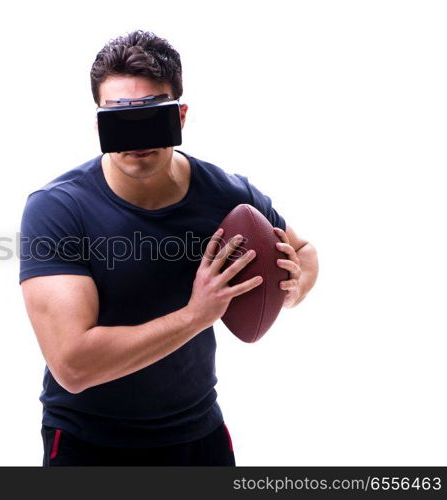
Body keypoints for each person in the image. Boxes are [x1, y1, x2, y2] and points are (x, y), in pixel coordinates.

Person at [19, 29, 319, 466]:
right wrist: (196, 315)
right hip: (91, 443)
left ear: (180, 115)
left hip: (198, 434)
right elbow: (74, 366)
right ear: (99, 122)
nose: (137, 138)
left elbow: (304, 249)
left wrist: (295, 284)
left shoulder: (224, 193)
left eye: (152, 115)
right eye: (120, 118)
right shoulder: (58, 209)